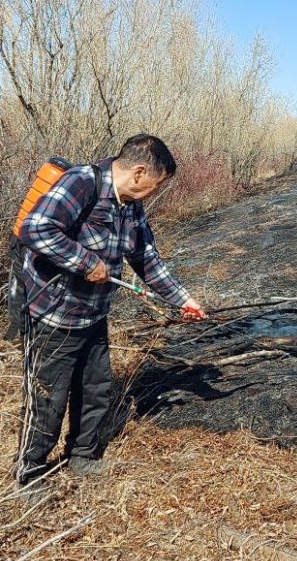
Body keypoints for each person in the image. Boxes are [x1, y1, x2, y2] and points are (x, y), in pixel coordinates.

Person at [14, 134, 206, 498]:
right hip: (55, 317)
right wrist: (86, 262)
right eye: (155, 184)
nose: (155, 191)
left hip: (94, 316)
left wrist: (182, 300)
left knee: (95, 390)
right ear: (138, 172)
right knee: (47, 399)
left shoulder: (131, 205)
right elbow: (35, 229)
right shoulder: (82, 183)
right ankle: (30, 473)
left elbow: (147, 258)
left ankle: (82, 456)